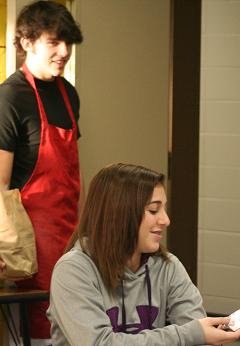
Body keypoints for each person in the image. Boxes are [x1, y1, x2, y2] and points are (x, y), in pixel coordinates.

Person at [47, 163, 240, 345]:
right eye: (153, 210)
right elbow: (99, 343)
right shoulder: (73, 270)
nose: (166, 220)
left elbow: (196, 333)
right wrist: (190, 334)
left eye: (164, 209)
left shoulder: (168, 266)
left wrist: (214, 334)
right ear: (119, 214)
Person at [0, 0, 84, 343]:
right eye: (54, 42)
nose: (64, 51)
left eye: (68, 42)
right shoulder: (10, 97)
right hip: (29, 245)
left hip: (69, 234)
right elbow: (0, 184)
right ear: (26, 41)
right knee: (39, 331)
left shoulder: (70, 95)